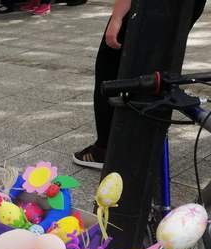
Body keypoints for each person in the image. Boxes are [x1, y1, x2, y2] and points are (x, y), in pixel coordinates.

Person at [73, 0, 206, 169]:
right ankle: (143, 145)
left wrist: (117, 17)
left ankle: (105, 148)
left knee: (110, 68)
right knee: (156, 70)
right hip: (187, 7)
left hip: (148, 7)